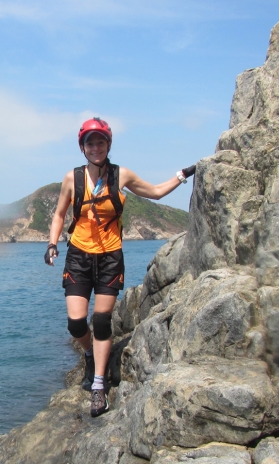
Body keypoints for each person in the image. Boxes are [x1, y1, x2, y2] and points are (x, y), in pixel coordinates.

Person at [44, 117, 195, 417]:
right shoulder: (71, 179)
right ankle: (88, 353)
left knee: (101, 321)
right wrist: (52, 243)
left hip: (110, 257)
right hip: (78, 256)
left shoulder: (120, 175)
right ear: (82, 147)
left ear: (108, 144)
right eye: (90, 142)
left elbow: (153, 192)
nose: (96, 146)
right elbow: (60, 214)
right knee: (76, 324)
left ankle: (99, 386)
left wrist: (182, 174)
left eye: (101, 141)